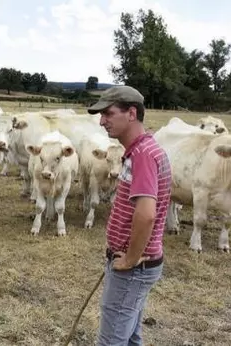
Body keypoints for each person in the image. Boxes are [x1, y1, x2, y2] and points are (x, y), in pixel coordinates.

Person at [87, 86, 171, 346]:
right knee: (130, 336)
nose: (102, 121)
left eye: (109, 114)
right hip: (141, 264)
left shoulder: (143, 155)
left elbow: (146, 215)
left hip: (134, 268)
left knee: (111, 341)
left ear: (131, 113)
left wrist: (130, 259)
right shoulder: (146, 149)